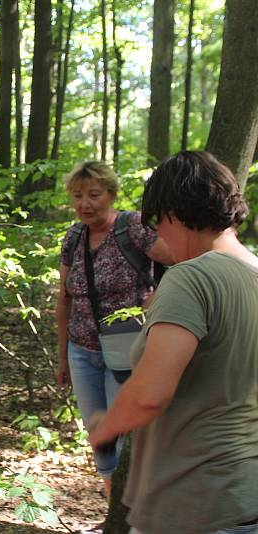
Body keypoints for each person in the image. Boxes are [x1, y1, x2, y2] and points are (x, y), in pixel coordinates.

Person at [89, 151, 258, 534]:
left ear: (175, 213)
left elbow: (150, 393)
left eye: (158, 223)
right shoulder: (254, 272)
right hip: (246, 497)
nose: (158, 235)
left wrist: (106, 426)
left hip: (195, 501)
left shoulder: (190, 278)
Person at [55, 161, 173, 500]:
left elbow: (181, 260)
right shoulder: (74, 236)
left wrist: (158, 303)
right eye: (78, 196)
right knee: (101, 436)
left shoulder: (132, 227)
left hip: (129, 350)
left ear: (111, 193)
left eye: (93, 195)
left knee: (125, 433)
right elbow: (64, 299)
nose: (84, 204)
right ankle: (113, 511)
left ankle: (135, 509)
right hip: (81, 350)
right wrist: (63, 355)